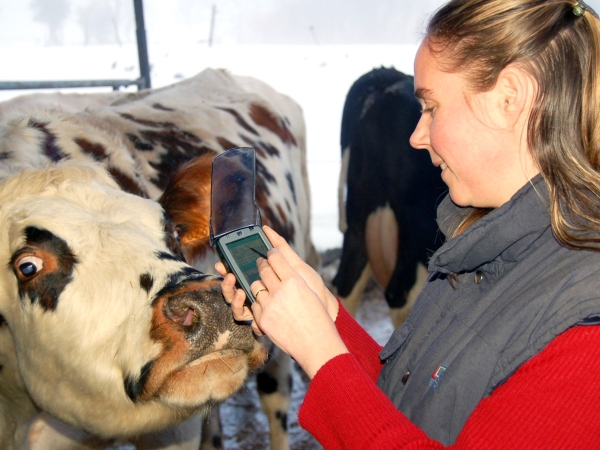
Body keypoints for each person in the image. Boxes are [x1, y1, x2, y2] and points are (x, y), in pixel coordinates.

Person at [217, 0, 600, 447]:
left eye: (432, 108)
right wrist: (323, 313)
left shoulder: (585, 327)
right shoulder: (484, 250)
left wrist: (318, 352)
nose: (417, 136)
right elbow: (410, 402)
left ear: (509, 98)